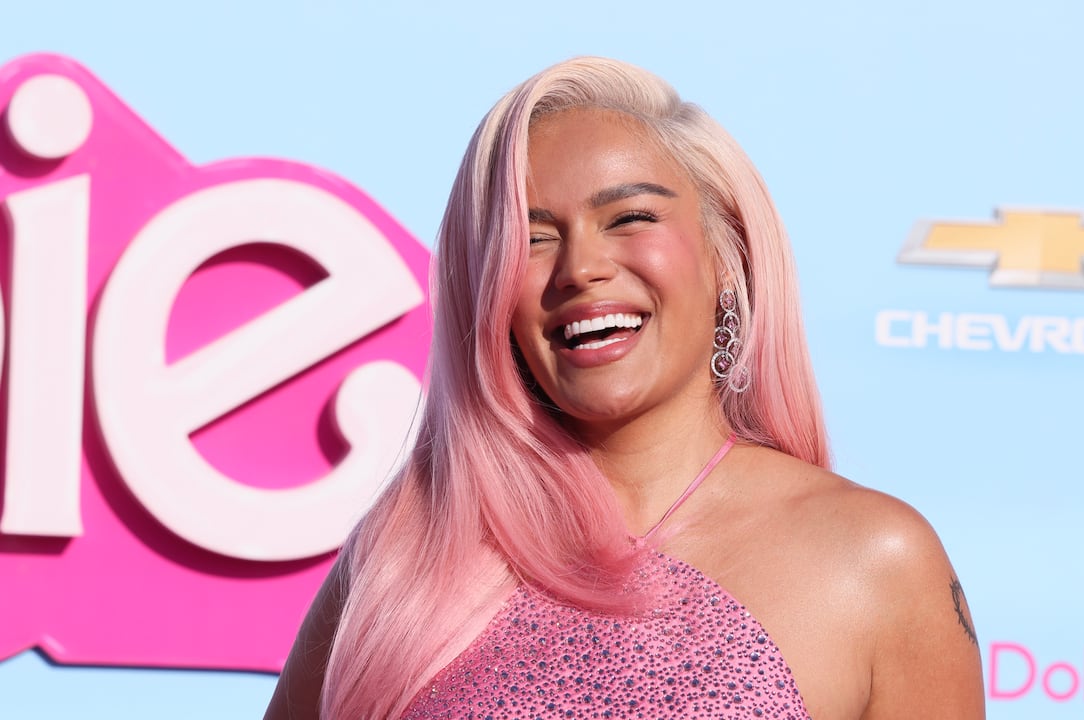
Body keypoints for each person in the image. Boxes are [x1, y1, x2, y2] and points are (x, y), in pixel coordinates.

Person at [265, 57, 985, 720]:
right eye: (532, 238)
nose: (580, 267)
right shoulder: (406, 553)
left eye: (631, 218)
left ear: (727, 255)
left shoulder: (874, 560)